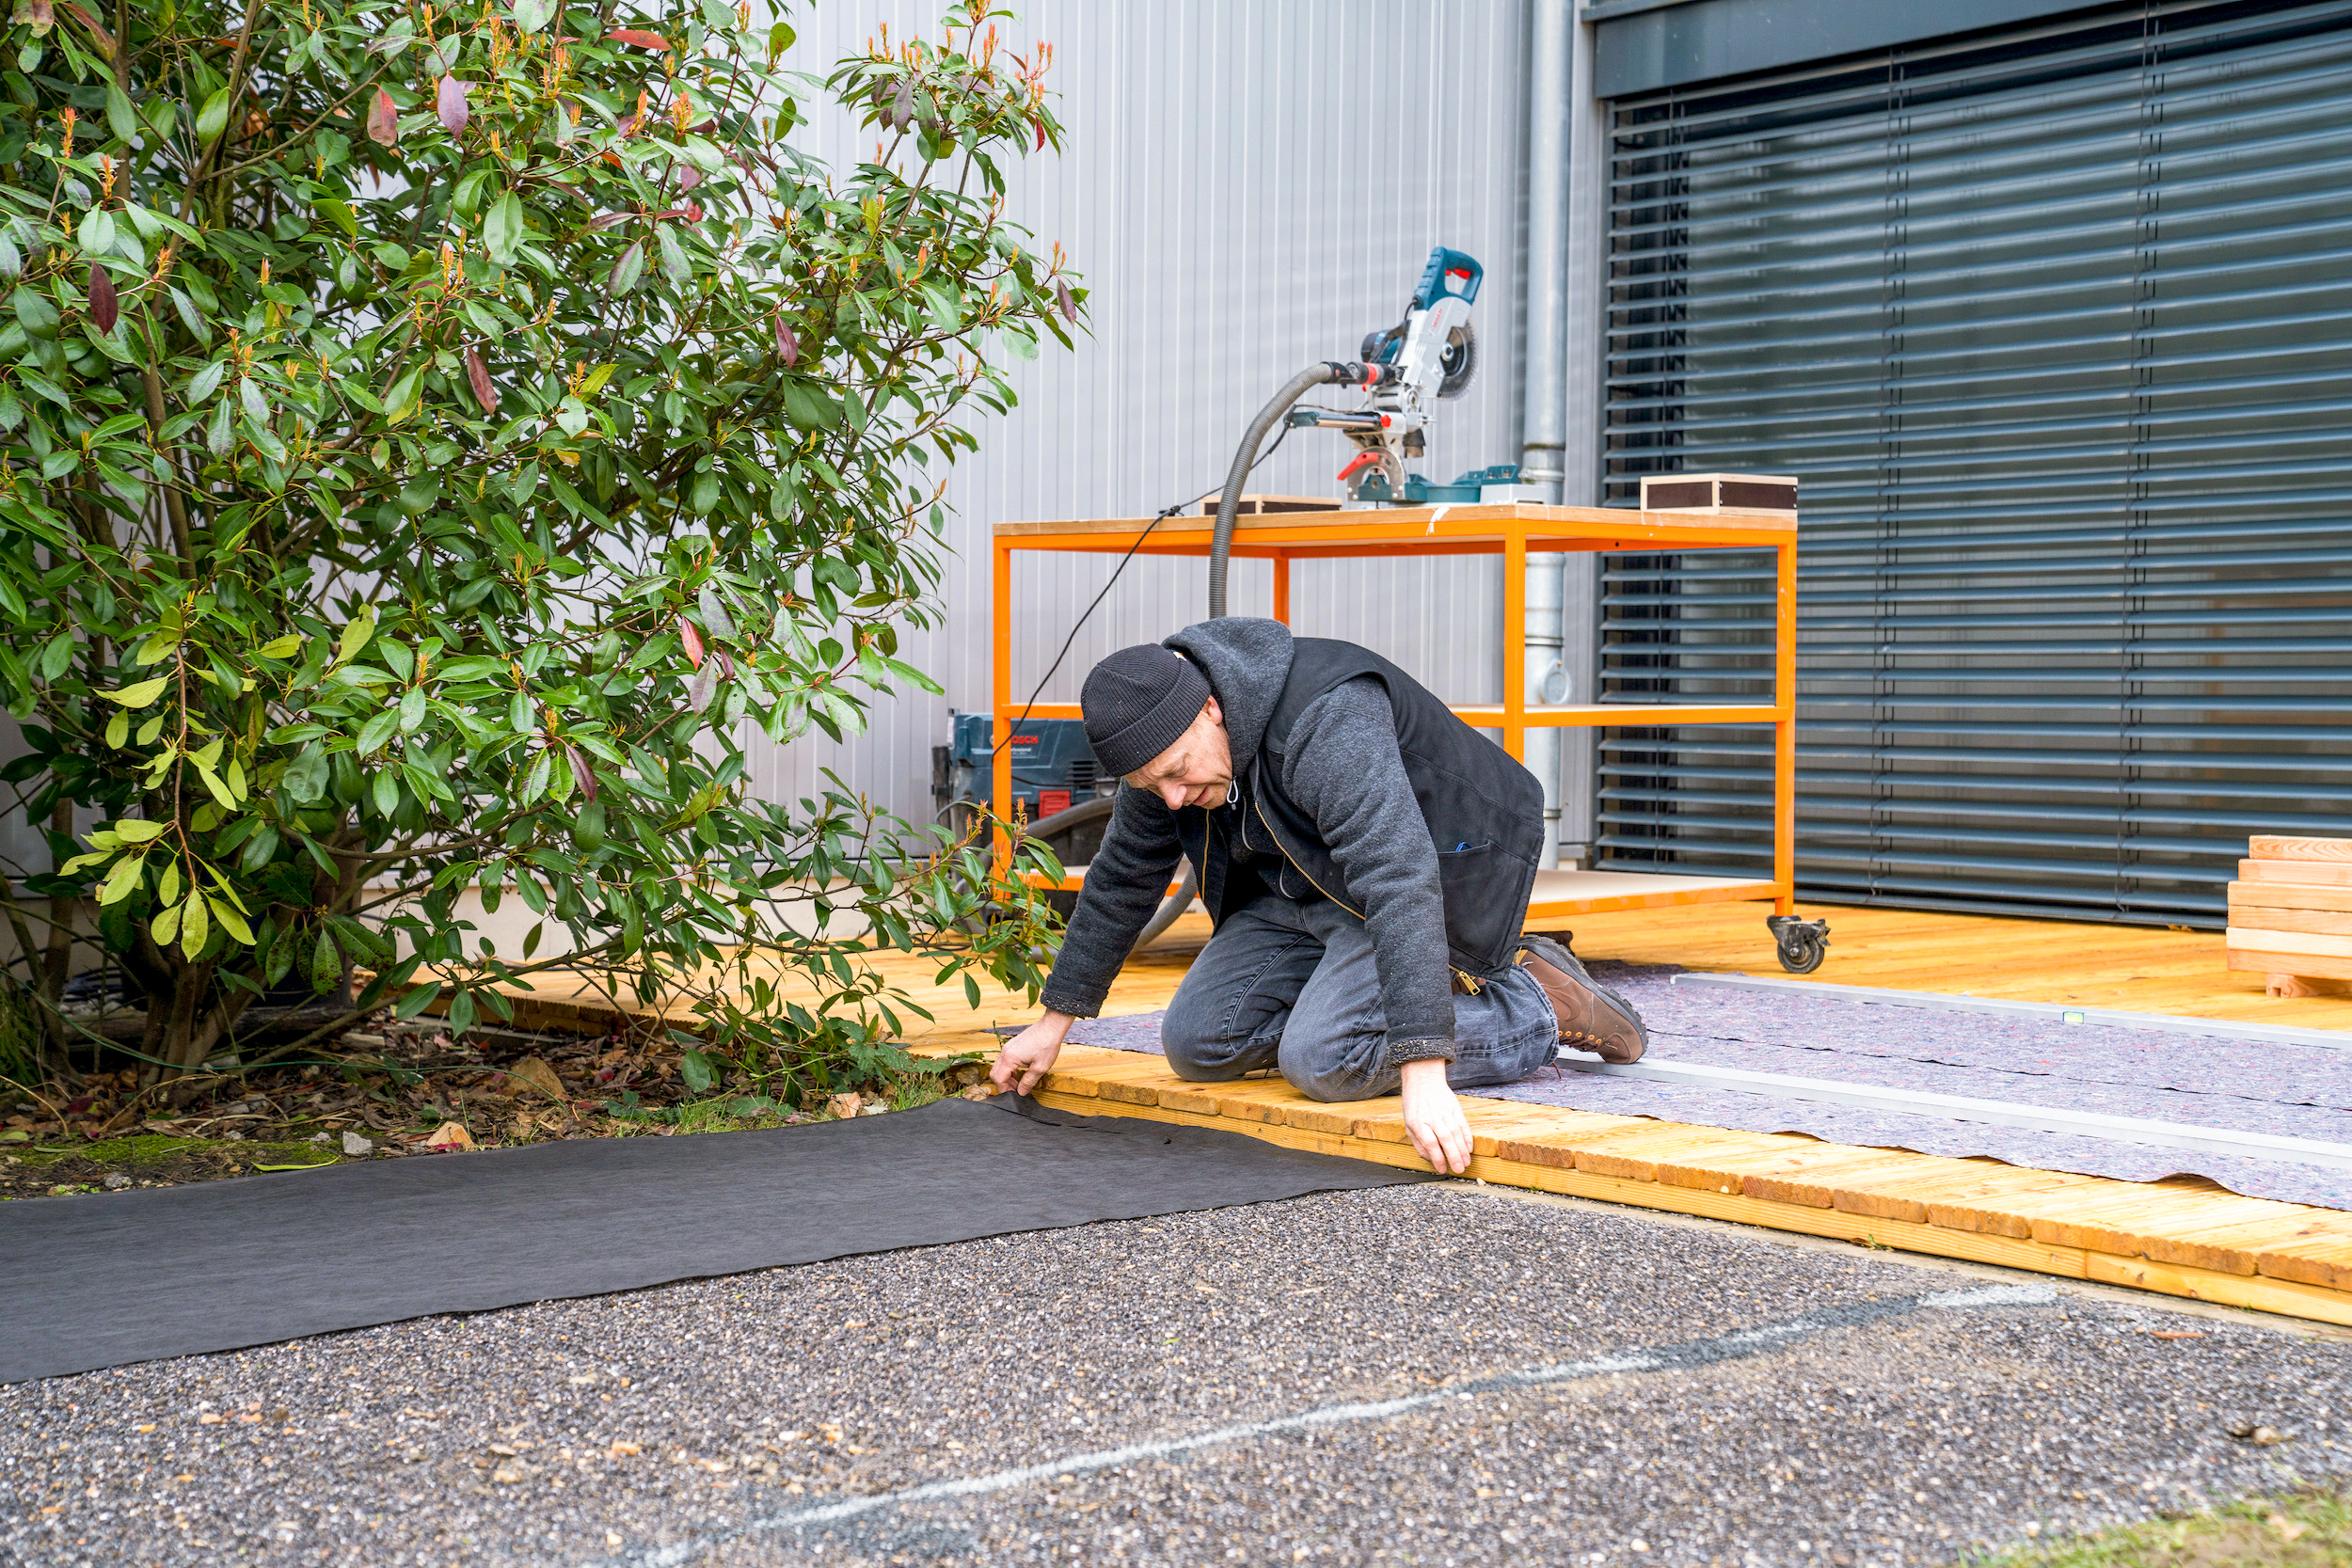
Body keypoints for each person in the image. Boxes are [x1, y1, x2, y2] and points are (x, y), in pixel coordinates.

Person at [990, 617, 1647, 1174]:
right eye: (1148, 784)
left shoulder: (1323, 715)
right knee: (1197, 1042)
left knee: (1324, 1059)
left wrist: (1421, 1070)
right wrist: (1054, 1024)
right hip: (1301, 886)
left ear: (1211, 709)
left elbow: (1397, 872)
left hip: (1445, 862)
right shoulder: (1164, 746)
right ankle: (1364, 1014)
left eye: (1175, 774)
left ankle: (1532, 1006)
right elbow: (1120, 880)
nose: (1170, 797)